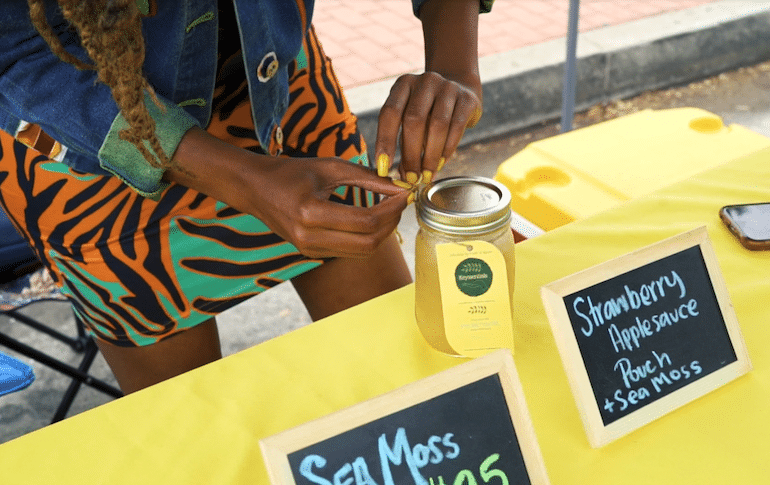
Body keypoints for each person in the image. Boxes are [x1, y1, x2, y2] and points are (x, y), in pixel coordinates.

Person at [0, 0, 490, 394]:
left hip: (276, 81)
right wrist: (243, 179)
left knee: (407, 375)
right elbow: (13, 51)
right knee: (199, 438)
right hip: (95, 135)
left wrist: (453, 65)